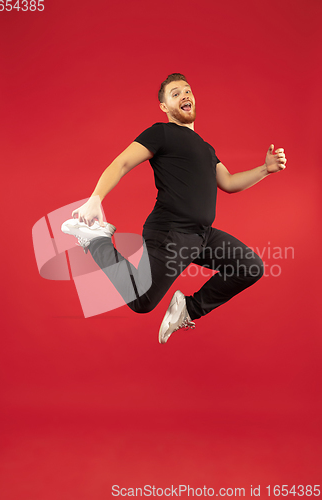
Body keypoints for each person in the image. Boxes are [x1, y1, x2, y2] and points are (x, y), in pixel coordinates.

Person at [61, 73, 287, 344]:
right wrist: (96, 198)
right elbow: (121, 163)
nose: (185, 96)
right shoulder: (161, 133)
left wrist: (265, 169)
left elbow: (228, 182)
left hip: (201, 235)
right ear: (164, 106)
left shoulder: (206, 149)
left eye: (188, 91)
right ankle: (96, 239)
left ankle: (188, 308)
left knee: (250, 266)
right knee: (143, 301)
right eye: (176, 93)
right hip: (171, 232)